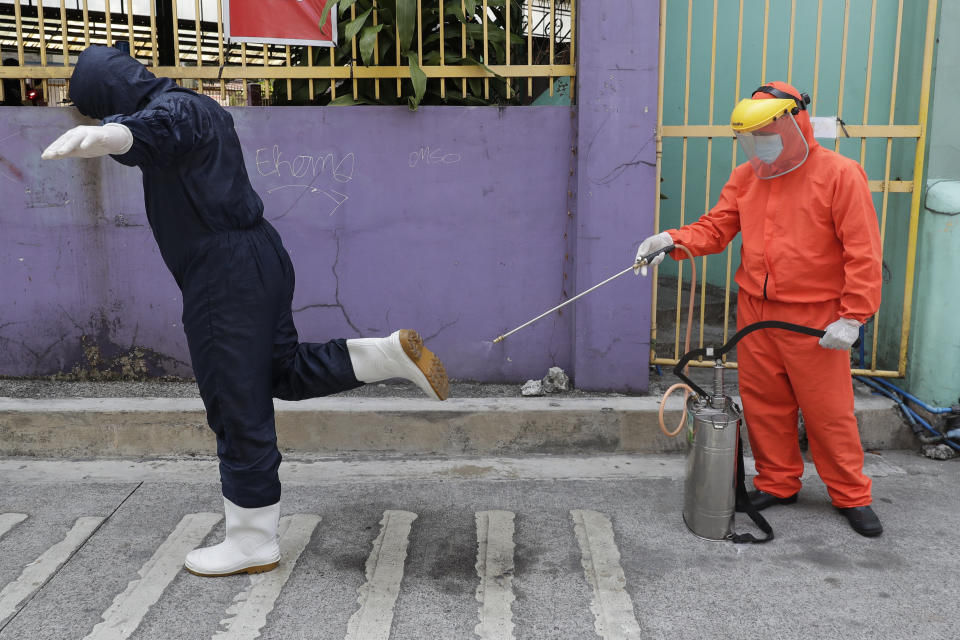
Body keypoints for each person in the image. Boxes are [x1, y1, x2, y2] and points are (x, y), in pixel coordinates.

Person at [41, 46, 450, 575]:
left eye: (96, 109)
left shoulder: (178, 111)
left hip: (223, 277)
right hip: (260, 255)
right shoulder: (194, 106)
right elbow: (155, 129)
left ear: (109, 96)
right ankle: (385, 356)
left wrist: (110, 137)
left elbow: (155, 130)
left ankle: (253, 541)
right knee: (279, 369)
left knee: (237, 405)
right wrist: (120, 132)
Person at [636, 81, 884, 537]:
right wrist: (672, 240)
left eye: (765, 134)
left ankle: (851, 494)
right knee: (765, 405)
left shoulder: (840, 175)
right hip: (756, 311)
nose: (759, 146)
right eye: (750, 138)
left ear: (795, 122)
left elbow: (863, 251)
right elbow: (716, 227)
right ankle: (778, 481)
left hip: (814, 316)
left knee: (828, 411)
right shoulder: (748, 176)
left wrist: (853, 315)